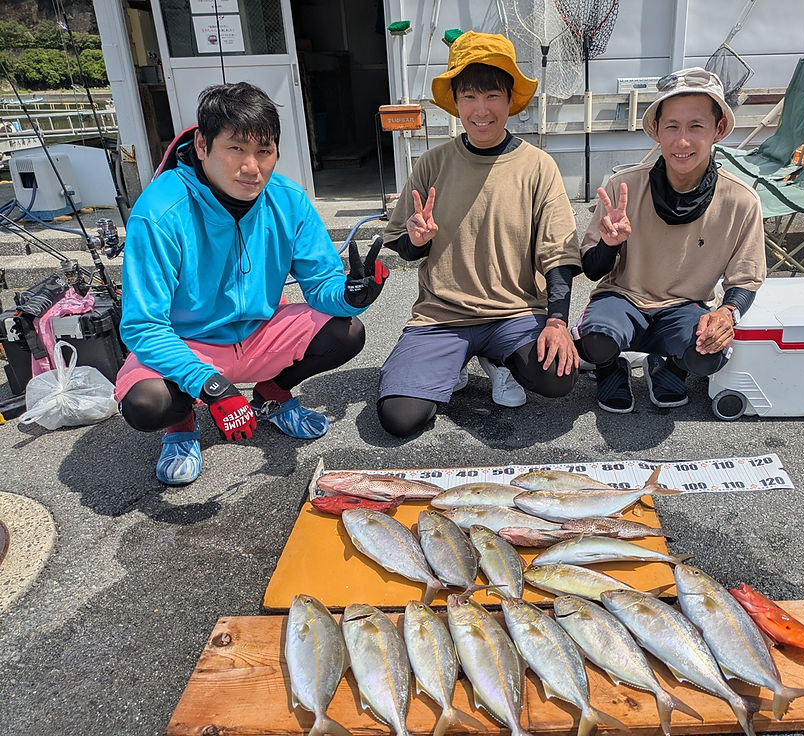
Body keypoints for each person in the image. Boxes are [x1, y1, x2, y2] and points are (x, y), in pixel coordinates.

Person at [115, 82, 388, 485]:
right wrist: (211, 385)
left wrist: (350, 295)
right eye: (236, 149)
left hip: (259, 333)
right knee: (147, 404)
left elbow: (320, 284)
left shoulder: (289, 199)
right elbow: (143, 325)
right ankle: (183, 422)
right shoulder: (160, 211)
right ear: (203, 146)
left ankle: (270, 395)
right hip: (188, 342)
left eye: (264, 151)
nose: (252, 167)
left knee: (347, 332)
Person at [376, 31, 581, 437]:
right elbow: (401, 244)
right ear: (455, 101)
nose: (481, 109)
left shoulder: (538, 166)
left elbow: (559, 254)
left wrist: (557, 322)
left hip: (515, 312)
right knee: (400, 420)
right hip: (443, 315)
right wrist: (417, 241)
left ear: (510, 101)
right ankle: (450, 362)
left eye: (492, 96)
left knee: (557, 380)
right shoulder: (432, 163)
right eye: (469, 96)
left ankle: (497, 360)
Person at [574, 67, 765, 413]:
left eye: (696, 126)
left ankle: (668, 366)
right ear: (656, 131)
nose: (682, 141)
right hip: (622, 299)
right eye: (672, 126)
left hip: (683, 307)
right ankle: (609, 367)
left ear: (718, 129)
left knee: (710, 353)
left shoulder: (740, 200)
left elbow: (746, 278)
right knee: (595, 340)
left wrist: (727, 313)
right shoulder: (624, 187)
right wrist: (610, 244)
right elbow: (591, 268)